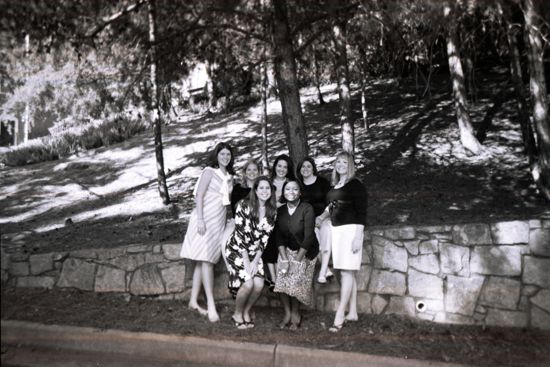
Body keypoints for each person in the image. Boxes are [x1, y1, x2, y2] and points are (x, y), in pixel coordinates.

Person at [180, 142, 234, 323]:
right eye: (222, 154)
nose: (225, 157)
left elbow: (226, 203)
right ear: (216, 155)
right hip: (204, 220)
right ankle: (211, 304)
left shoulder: (229, 177)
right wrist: (201, 219)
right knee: (207, 262)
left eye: (228, 154)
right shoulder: (209, 172)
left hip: (218, 221)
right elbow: (199, 196)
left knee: (203, 261)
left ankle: (193, 301)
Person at [315, 151, 366, 332]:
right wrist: (321, 217)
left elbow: (362, 213)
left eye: (344, 162)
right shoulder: (336, 185)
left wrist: (358, 237)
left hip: (351, 231)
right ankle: (352, 312)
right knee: (348, 273)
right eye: (338, 161)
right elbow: (332, 206)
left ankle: (339, 315)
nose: (340, 164)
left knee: (346, 272)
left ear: (350, 165)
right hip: (337, 231)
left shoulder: (356, 185)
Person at [225, 176, 277, 329]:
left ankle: (247, 311)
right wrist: (247, 262)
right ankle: (237, 313)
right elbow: (240, 235)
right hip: (237, 249)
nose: (264, 191)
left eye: (268, 188)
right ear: (255, 190)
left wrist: (255, 261)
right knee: (248, 284)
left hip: (255, 252)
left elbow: (264, 239)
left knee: (259, 284)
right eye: (261, 188)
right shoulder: (243, 205)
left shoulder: (272, 211)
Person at [273, 180, 319, 330]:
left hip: (305, 252)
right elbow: (278, 236)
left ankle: (295, 313)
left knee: (295, 280)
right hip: (286, 251)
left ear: (300, 192)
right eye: (287, 189)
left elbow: (309, 237)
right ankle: (286, 313)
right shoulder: (280, 211)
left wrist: (296, 261)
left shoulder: (307, 208)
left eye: (295, 189)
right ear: (283, 192)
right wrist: (285, 259)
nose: (291, 191)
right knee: (281, 280)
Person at [296, 157, 333, 284]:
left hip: (325, 216)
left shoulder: (323, 183)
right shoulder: (298, 186)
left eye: (308, 166)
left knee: (326, 231)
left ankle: (324, 269)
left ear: (313, 169)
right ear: (299, 169)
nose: (305, 169)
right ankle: (325, 269)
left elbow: (332, 203)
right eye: (303, 166)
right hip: (308, 221)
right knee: (311, 234)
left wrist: (322, 217)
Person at [221, 159, 261, 270]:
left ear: (259, 172)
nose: (252, 172)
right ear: (244, 172)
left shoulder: (262, 188)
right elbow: (234, 209)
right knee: (224, 241)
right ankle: (231, 268)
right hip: (238, 220)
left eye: (255, 170)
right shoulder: (237, 188)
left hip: (256, 221)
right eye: (249, 170)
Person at [262, 154, 295, 288]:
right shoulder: (268, 182)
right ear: (275, 167)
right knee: (267, 236)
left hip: (286, 218)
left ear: (288, 169)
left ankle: (278, 279)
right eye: (279, 166)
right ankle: (274, 279)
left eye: (285, 167)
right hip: (268, 217)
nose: (281, 169)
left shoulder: (292, 183)